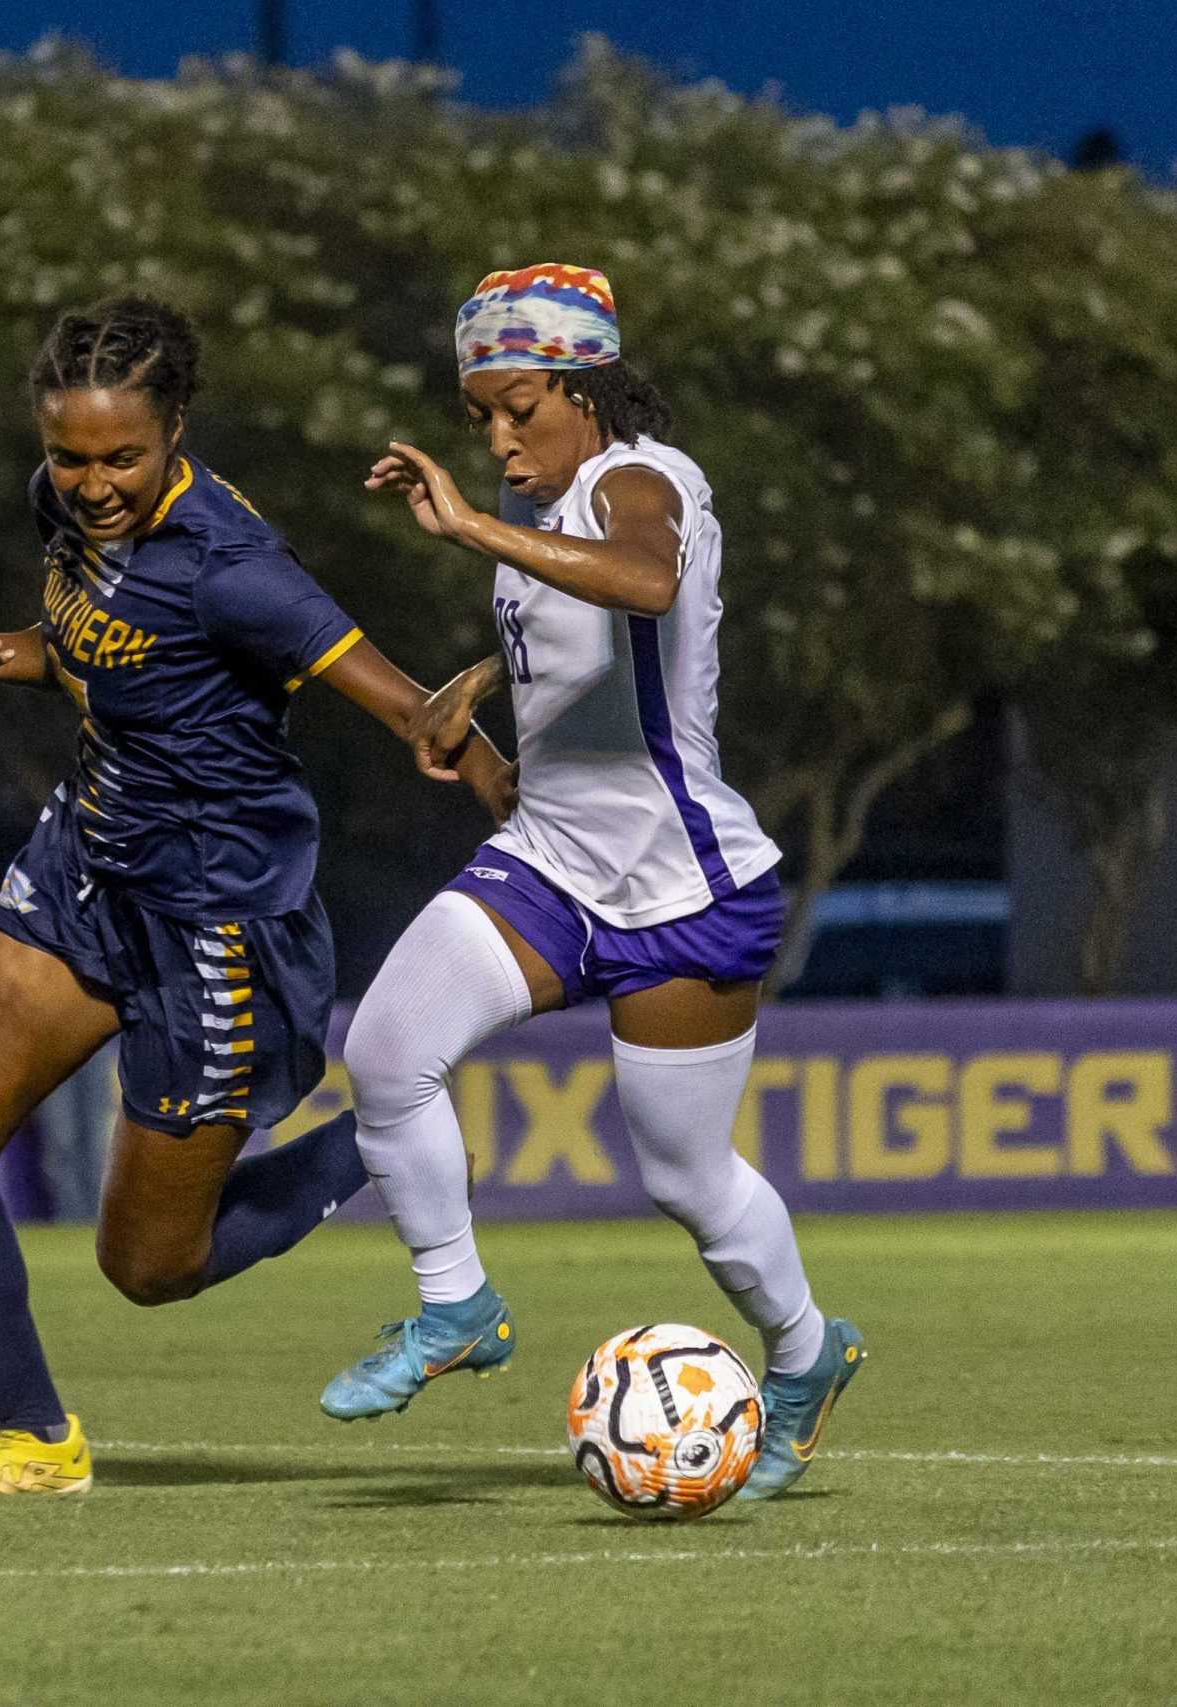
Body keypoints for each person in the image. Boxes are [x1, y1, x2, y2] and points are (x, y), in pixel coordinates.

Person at [0, 296, 513, 1497]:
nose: (90, 482)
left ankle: (382, 1152)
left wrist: (482, 762)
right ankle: (33, 1442)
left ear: (176, 425)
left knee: (150, 1266)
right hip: (86, 865)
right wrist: (9, 652)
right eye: (69, 455)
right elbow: (100, 653)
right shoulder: (59, 506)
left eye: (120, 455)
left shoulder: (235, 568)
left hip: (214, 920)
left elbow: (402, 706)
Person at [321, 265, 864, 1501]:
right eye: (481, 417)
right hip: (549, 869)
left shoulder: (639, 480)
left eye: (520, 407)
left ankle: (802, 1353)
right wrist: (475, 753)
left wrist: (469, 526)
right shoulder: (535, 533)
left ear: (587, 389)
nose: (500, 437)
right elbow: (560, 766)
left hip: (682, 890)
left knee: (683, 1177)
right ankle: (454, 1304)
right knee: (389, 1053)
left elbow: (647, 580)